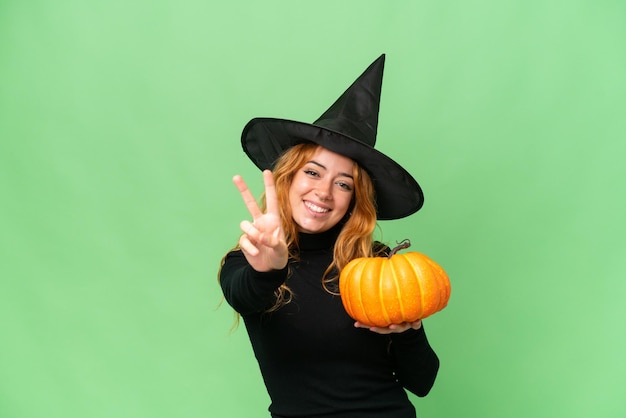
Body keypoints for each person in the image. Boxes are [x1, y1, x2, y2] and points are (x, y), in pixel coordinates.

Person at [219, 54, 440, 418]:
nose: (324, 192)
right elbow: (243, 295)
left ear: (355, 200)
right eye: (313, 172)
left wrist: (408, 330)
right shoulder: (248, 260)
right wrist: (270, 268)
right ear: (288, 176)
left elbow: (422, 382)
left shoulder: (379, 262)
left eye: (343, 183)